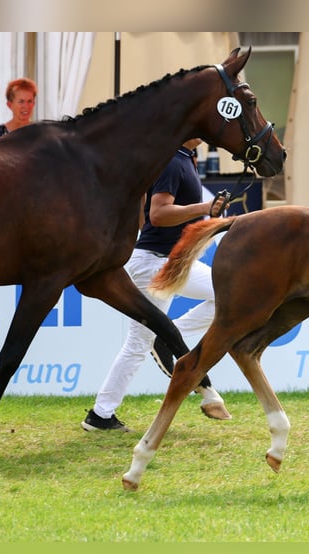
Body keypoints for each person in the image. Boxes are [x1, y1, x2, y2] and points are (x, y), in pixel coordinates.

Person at [81, 139, 231, 432]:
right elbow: (158, 214)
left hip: (170, 259)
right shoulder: (173, 161)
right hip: (153, 263)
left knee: (223, 295)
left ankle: (168, 336)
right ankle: (101, 415)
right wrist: (205, 207)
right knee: (138, 344)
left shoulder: (186, 157)